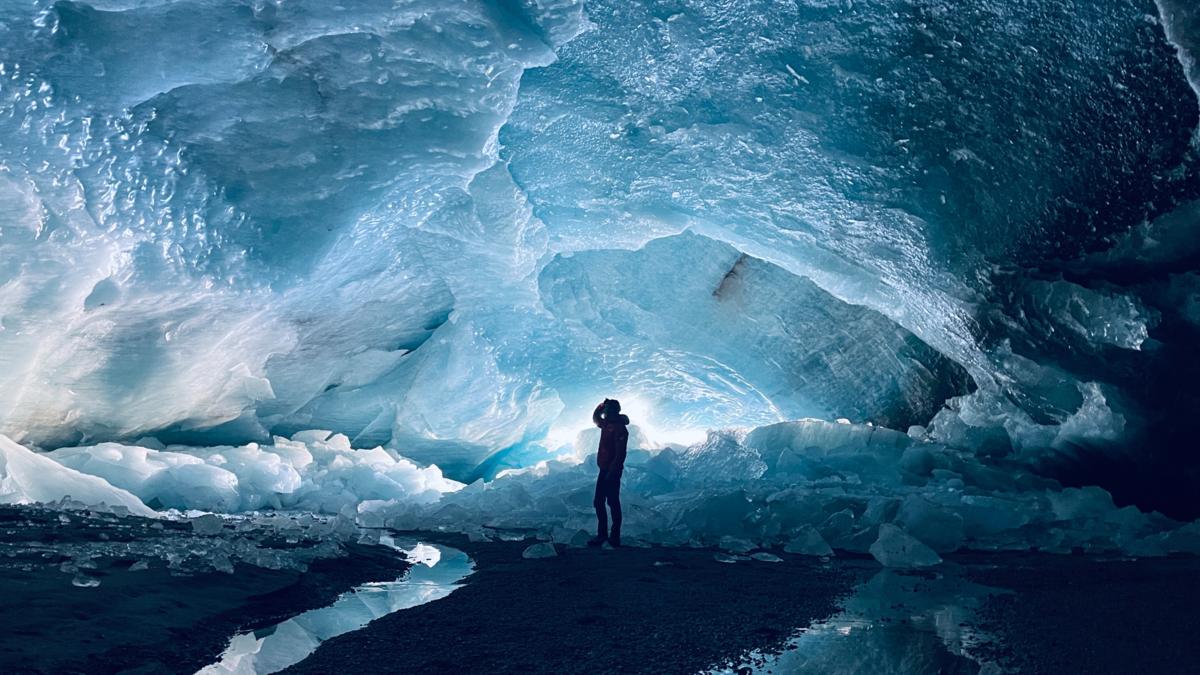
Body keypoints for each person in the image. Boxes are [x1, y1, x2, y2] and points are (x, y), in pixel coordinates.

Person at [589, 398, 629, 547]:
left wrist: (613, 471)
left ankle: (614, 537)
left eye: (607, 411)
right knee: (599, 501)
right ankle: (603, 535)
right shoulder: (607, 425)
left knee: (612, 502)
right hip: (604, 468)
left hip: (612, 470)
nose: (605, 414)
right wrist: (599, 406)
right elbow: (596, 418)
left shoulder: (619, 428)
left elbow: (620, 453)